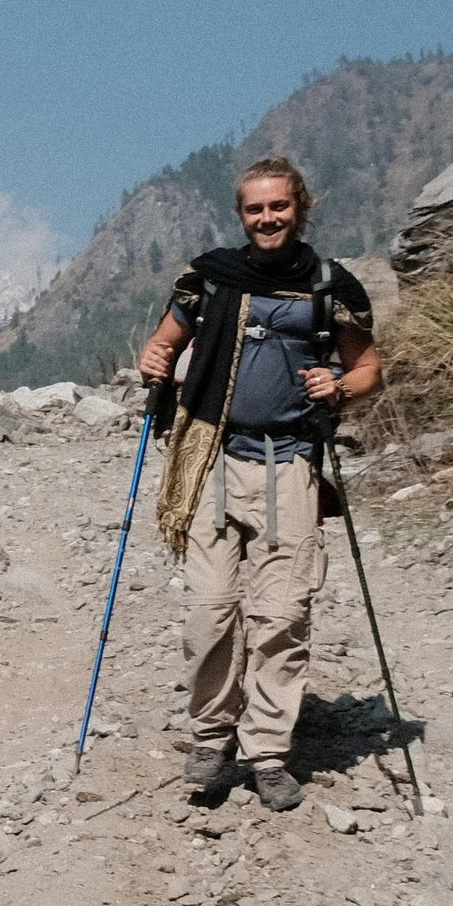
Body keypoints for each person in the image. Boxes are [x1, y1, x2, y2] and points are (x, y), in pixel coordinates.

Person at [138, 155, 381, 812]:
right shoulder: (209, 278)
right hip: (210, 459)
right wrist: (155, 359)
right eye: (255, 209)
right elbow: (162, 343)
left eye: (279, 206)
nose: (267, 218)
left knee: (283, 614)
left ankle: (268, 750)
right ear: (241, 215)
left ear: (301, 207)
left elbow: (368, 372)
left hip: (293, 462)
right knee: (210, 611)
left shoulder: (332, 286)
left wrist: (338, 383)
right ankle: (211, 736)